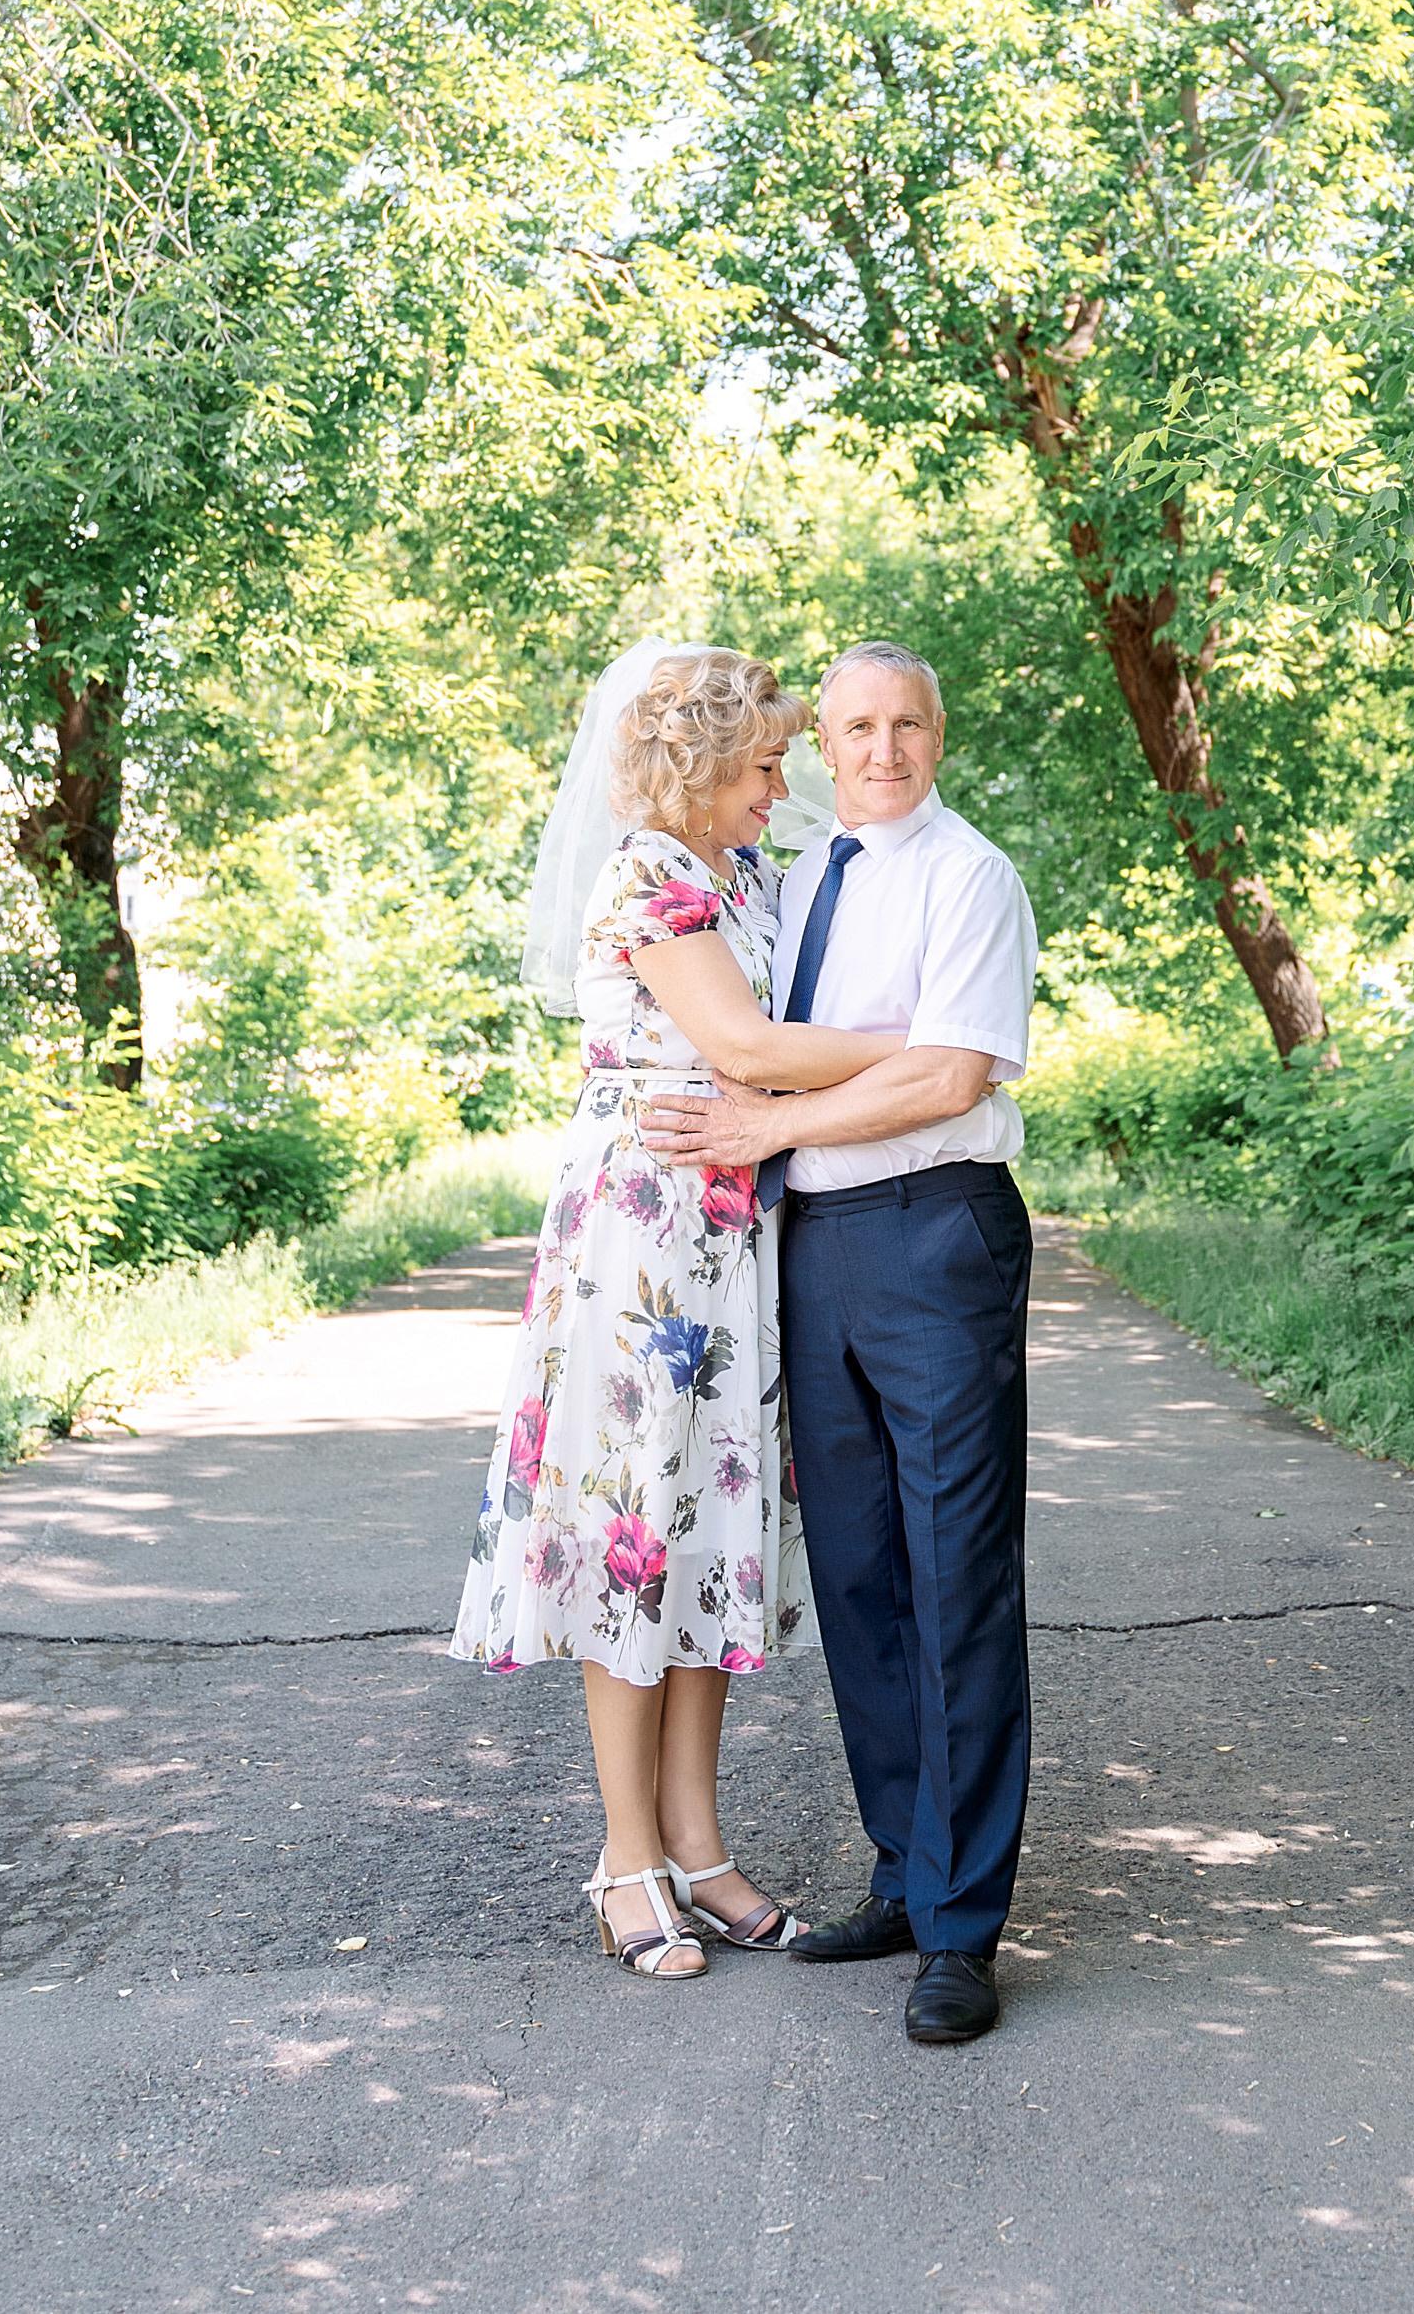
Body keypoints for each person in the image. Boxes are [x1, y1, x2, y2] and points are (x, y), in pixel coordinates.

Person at [449, 643, 907, 1981]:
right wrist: (937, 1042)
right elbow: (753, 1050)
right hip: (641, 1251)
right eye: (763, 766)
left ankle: (701, 1850)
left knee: (707, 1544)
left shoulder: (745, 872)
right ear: (699, 770)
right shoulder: (649, 875)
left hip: (734, 1242)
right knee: (634, 1542)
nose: (782, 786)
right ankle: (624, 1859)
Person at [644, 640, 1039, 2046]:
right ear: (823, 742)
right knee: (863, 1575)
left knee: (954, 1573)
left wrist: (766, 1126)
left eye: (905, 725)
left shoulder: (968, 877)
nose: (880, 749)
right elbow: (748, 1034)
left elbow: (947, 1071)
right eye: (855, 727)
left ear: (939, 733)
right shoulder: (801, 875)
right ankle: (900, 1871)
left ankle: (963, 1929)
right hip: (816, 1250)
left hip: (935, 1235)